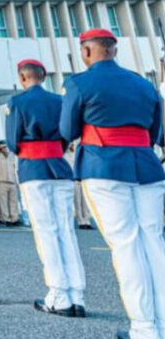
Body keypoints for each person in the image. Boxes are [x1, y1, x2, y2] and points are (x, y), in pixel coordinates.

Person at [60, 29, 164, 339]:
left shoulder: (78, 83)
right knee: (155, 245)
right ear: (114, 51)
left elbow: (67, 129)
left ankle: (144, 328)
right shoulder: (144, 84)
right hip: (146, 168)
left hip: (103, 166)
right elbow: (158, 132)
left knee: (126, 247)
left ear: (86, 52)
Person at [6, 58, 86, 318]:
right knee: (66, 231)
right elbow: (66, 135)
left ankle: (59, 295)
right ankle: (77, 295)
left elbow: (12, 141)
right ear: (43, 76)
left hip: (34, 169)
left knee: (46, 233)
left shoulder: (17, 102)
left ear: (23, 78)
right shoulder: (59, 101)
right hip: (59, 168)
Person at [0, 140, 21, 226]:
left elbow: (15, 168)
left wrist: (17, 181)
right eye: (2, 147)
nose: (4, 149)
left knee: (13, 201)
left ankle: (15, 218)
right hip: (1, 181)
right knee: (3, 202)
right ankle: (7, 219)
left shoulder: (11, 155)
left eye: (5, 147)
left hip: (12, 181)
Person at [63, 144, 93, 229]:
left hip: (81, 161)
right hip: (69, 160)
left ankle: (86, 218)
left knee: (84, 193)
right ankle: (80, 219)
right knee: (76, 194)